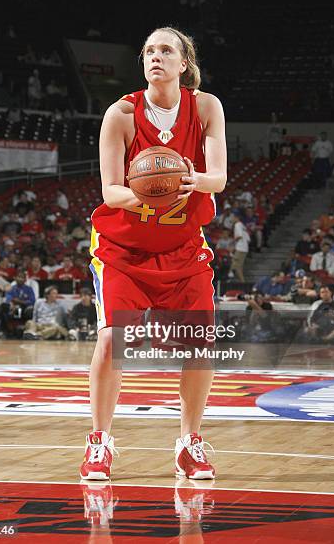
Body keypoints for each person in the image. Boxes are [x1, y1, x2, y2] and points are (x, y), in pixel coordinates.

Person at [81, 26, 227, 481]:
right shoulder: (120, 114)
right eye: (148, 50)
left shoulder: (205, 107)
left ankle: (189, 443)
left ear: (185, 62)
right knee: (112, 341)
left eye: (166, 50)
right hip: (124, 249)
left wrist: (190, 181)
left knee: (201, 345)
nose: (155, 57)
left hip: (183, 247)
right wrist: (149, 195)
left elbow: (217, 177)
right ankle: (99, 442)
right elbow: (109, 190)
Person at [230, 211, 250, 282]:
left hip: (240, 248)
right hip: (244, 248)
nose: (231, 218)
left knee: (235, 265)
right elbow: (248, 239)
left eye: (232, 216)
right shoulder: (242, 225)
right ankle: (242, 282)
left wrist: (232, 243)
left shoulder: (237, 224)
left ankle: (231, 278)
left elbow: (239, 236)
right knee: (238, 267)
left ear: (236, 217)